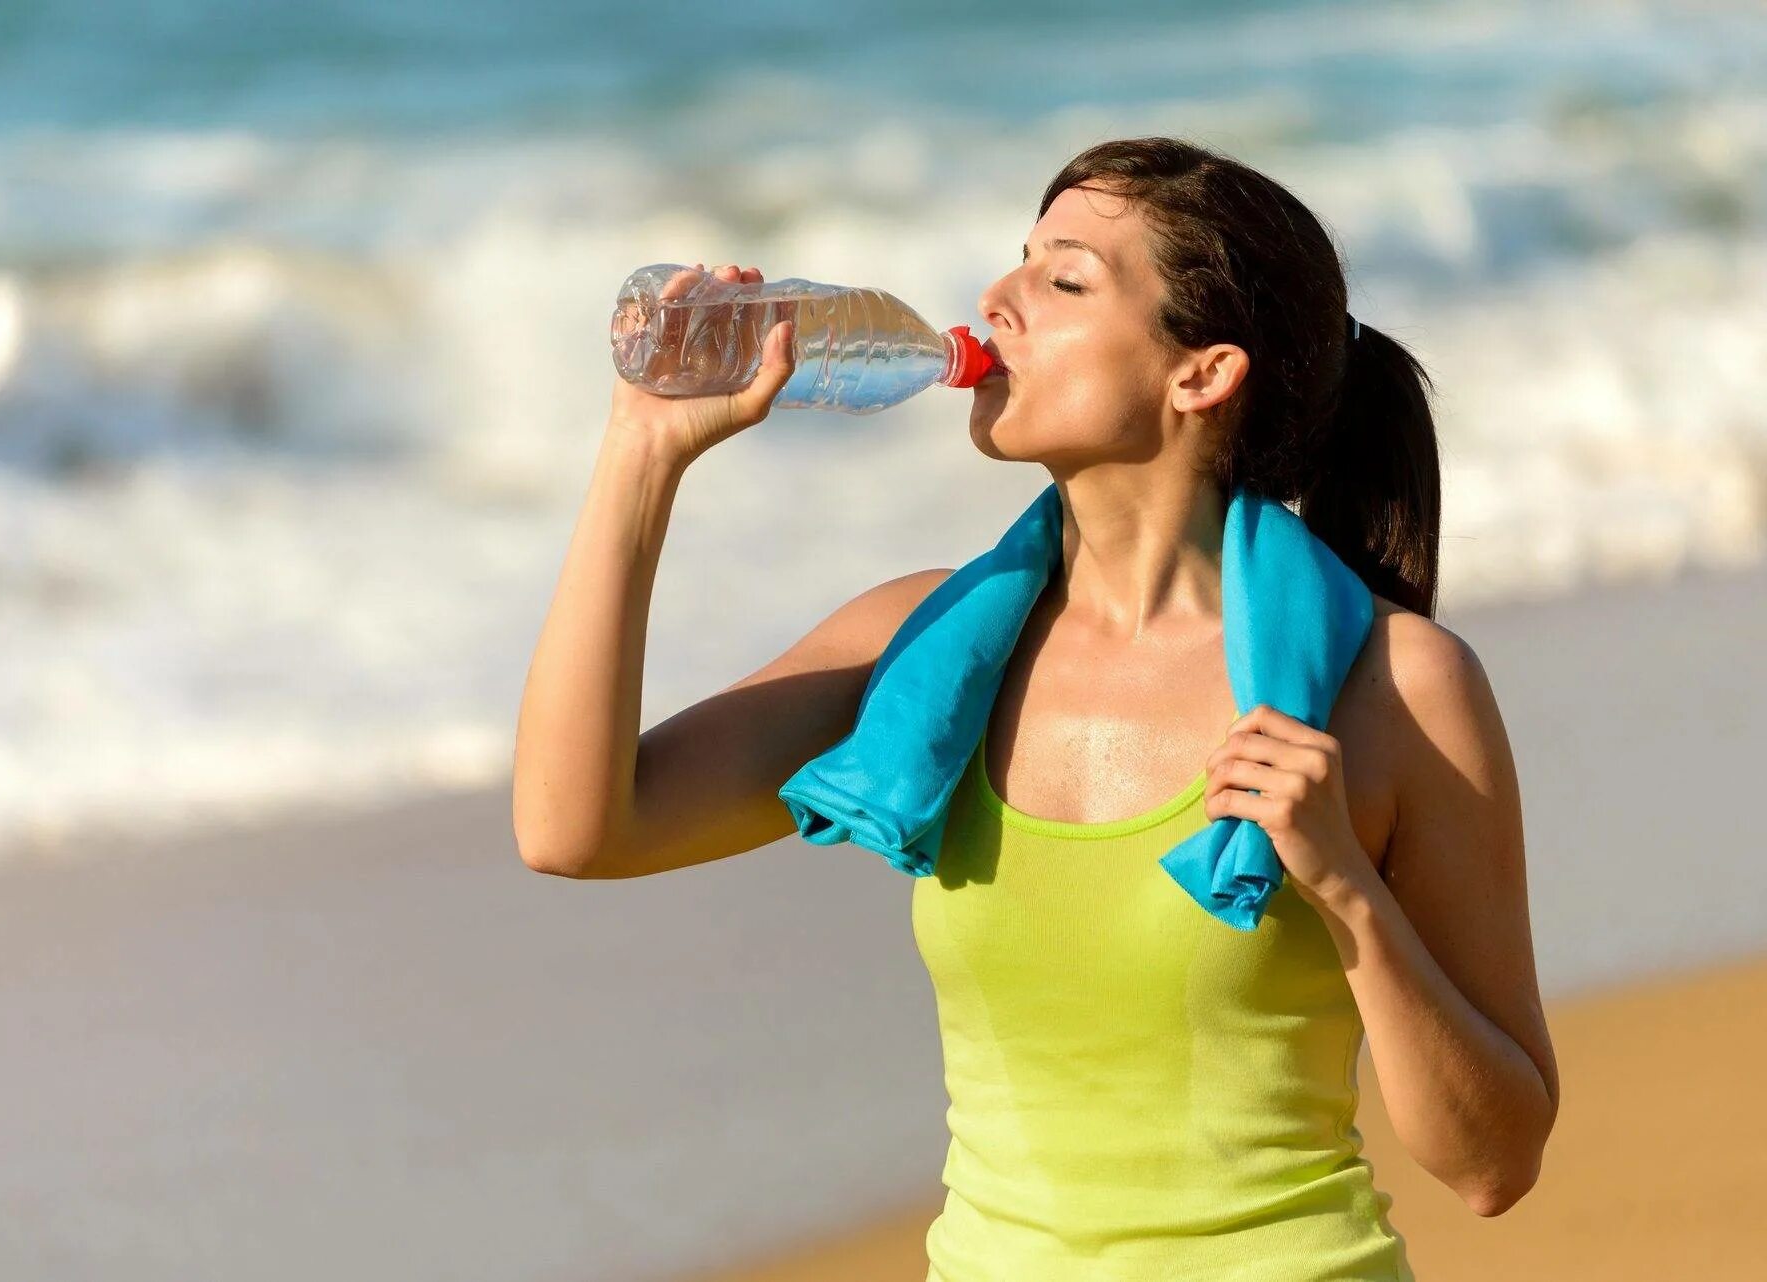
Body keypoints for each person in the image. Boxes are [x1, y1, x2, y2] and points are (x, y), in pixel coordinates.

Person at [513, 136, 1559, 1280]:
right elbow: (575, 828)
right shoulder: (917, 650)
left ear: (1201, 373)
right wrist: (640, 452)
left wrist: (1350, 897)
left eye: (1063, 280)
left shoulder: (1396, 688)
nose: (996, 299)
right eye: (1018, 259)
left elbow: (1493, 1162)